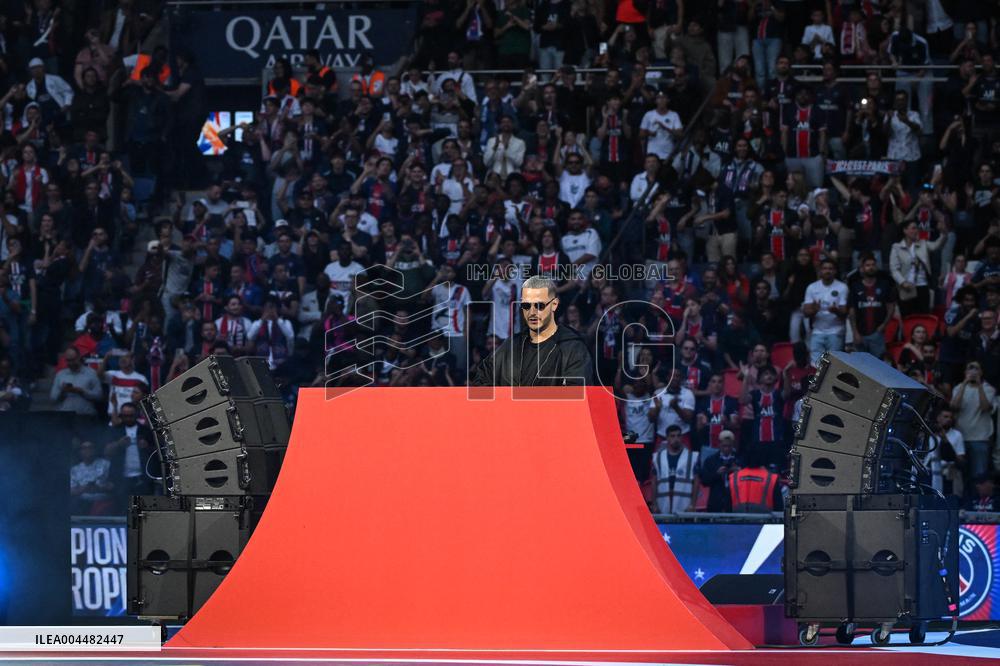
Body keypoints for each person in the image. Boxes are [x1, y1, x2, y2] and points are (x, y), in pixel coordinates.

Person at [470, 275, 592, 386]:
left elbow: (577, 392)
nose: (532, 312)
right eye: (526, 306)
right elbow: (482, 378)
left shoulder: (572, 346)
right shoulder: (511, 345)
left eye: (539, 305)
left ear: (554, 304)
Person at [950, 361, 995, 481]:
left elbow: (985, 407)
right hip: (960, 439)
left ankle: (977, 500)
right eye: (970, 368)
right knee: (960, 477)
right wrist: (965, 383)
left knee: (979, 477)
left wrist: (979, 385)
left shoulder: (988, 388)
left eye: (976, 369)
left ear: (981, 372)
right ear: (965, 372)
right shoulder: (958, 388)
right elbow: (954, 407)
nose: (973, 372)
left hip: (980, 439)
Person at [802, 258, 848, 364]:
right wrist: (815, 309)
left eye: (830, 268)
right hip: (817, 331)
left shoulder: (842, 287)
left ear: (835, 271)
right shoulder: (812, 287)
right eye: (825, 268)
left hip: (836, 331)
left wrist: (835, 310)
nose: (828, 271)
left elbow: (844, 312)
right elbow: (806, 312)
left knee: (835, 364)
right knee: (815, 364)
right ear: (820, 271)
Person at [651, 424, 700, 514]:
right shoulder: (657, 457)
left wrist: (693, 504)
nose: (676, 439)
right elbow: (654, 482)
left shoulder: (692, 457)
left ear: (682, 437)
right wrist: (654, 504)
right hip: (663, 504)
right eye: (672, 436)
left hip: (684, 504)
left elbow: (696, 482)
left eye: (678, 436)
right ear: (667, 438)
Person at [728, 445, 782, 512]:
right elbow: (779, 507)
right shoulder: (771, 478)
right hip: (765, 520)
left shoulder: (734, 477)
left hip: (737, 520)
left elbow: (727, 504)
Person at [50, 346, 102, 416]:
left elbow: (99, 396)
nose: (71, 363)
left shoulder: (91, 373)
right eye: (68, 360)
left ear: (79, 357)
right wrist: (62, 391)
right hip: (64, 416)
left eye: (73, 360)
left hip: (86, 416)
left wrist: (82, 391)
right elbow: (53, 398)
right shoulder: (60, 375)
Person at [698, 429, 740, 512]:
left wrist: (739, 473)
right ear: (719, 444)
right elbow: (704, 481)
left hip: (735, 501)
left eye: (729, 446)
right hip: (716, 501)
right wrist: (717, 474)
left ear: (733, 445)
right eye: (724, 446)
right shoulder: (711, 460)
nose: (727, 449)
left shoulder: (739, 459)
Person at [70, 441, 114, 516]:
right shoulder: (74, 469)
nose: (88, 450)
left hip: (103, 499)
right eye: (84, 448)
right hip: (82, 501)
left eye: (90, 448)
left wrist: (100, 487)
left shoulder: (106, 464)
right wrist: (85, 488)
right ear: (80, 452)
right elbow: (71, 491)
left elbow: (114, 485)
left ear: (95, 450)